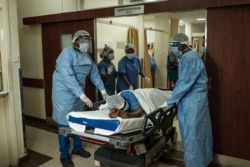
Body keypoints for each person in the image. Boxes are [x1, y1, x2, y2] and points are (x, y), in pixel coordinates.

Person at [52, 30, 109, 167]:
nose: (86, 44)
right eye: (83, 41)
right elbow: (68, 77)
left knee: (78, 123)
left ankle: (78, 148)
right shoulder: (66, 54)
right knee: (64, 124)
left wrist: (103, 91)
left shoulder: (86, 57)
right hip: (64, 94)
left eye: (88, 41)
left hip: (78, 96)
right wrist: (82, 95)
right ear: (76, 41)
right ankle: (64, 155)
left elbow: (95, 74)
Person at [159, 33, 213, 167]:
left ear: (182, 44)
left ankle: (196, 164)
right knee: (198, 133)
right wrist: (175, 97)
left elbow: (185, 82)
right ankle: (203, 161)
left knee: (193, 136)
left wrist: (169, 101)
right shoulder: (186, 57)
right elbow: (182, 81)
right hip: (191, 100)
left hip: (193, 102)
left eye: (174, 46)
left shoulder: (191, 58)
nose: (173, 49)